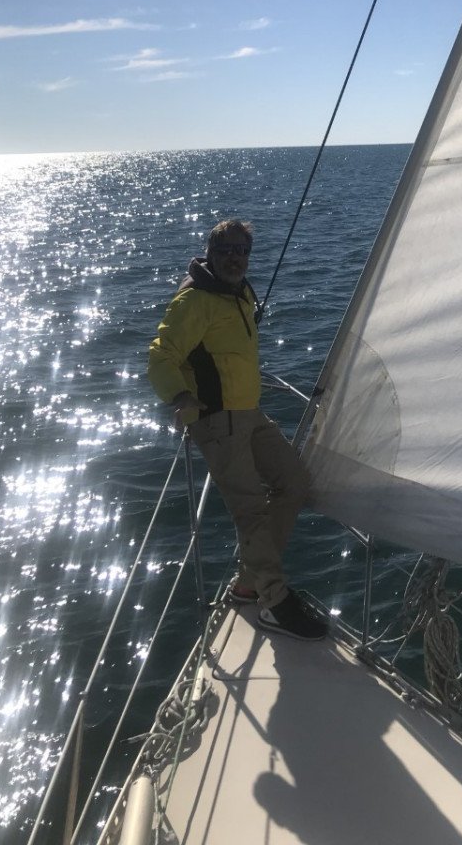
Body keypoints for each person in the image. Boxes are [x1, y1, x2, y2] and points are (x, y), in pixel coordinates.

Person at [148, 218, 326, 641]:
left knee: (295, 483)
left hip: (249, 412)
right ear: (210, 251)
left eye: (242, 251)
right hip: (217, 421)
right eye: (226, 249)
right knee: (250, 509)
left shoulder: (237, 292)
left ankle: (249, 583)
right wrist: (181, 397)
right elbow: (160, 356)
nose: (234, 257)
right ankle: (274, 602)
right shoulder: (195, 300)